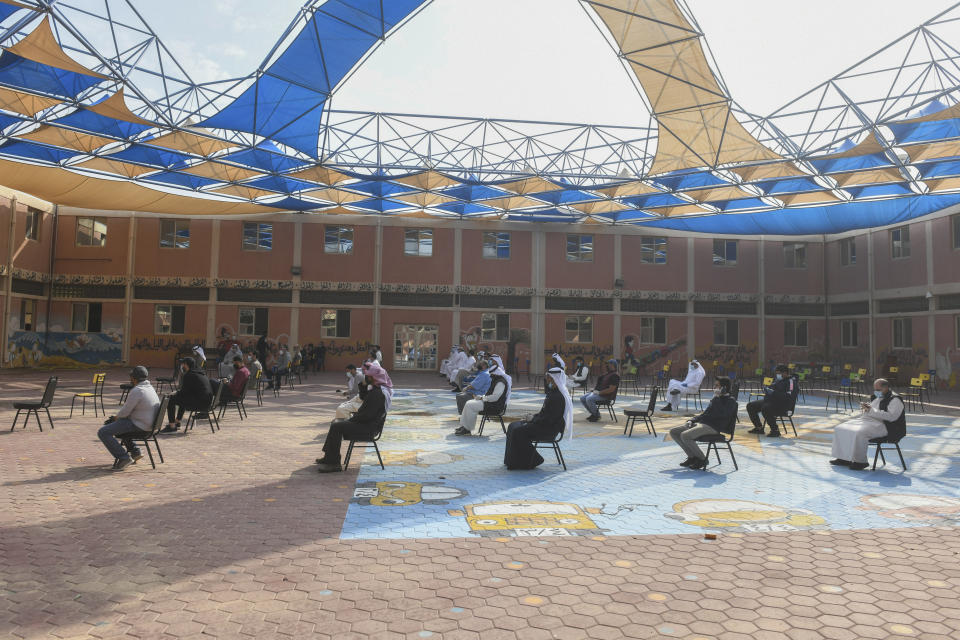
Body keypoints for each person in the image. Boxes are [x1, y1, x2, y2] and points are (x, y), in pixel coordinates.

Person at [316, 361, 392, 473]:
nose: (365, 377)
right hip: (365, 423)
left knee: (337, 426)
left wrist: (351, 419)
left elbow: (367, 415)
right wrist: (363, 385)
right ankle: (329, 457)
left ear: (374, 377)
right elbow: (363, 398)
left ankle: (334, 463)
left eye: (368, 376)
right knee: (336, 422)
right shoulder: (376, 390)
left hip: (368, 427)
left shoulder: (378, 394)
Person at [503, 361, 572, 470]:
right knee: (512, 426)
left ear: (555, 379)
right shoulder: (553, 393)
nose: (547, 380)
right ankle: (511, 461)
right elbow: (544, 414)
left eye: (549, 378)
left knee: (518, 431)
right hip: (542, 424)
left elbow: (549, 420)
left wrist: (533, 420)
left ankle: (533, 460)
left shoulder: (558, 397)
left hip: (548, 429)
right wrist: (532, 417)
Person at [830, 378, 905, 470]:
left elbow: (892, 417)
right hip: (868, 421)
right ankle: (844, 458)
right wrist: (867, 407)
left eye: (878, 390)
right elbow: (873, 409)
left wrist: (871, 410)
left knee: (860, 433)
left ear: (886, 388)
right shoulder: (878, 396)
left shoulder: (895, 400)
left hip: (885, 426)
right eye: (875, 389)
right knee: (840, 428)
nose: (876, 392)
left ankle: (860, 462)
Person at [668, 376, 738, 470]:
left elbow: (723, 414)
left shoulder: (730, 401)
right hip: (702, 424)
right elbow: (704, 414)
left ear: (724, 388)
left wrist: (717, 398)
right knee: (674, 432)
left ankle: (702, 459)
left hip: (713, 428)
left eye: (717, 385)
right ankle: (692, 457)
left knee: (685, 435)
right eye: (715, 385)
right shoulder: (715, 399)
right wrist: (691, 420)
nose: (714, 387)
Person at [97, 366, 160, 470]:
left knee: (103, 432)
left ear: (133, 378)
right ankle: (135, 451)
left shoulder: (137, 390)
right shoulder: (150, 388)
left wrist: (115, 418)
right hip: (149, 426)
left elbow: (125, 412)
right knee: (119, 424)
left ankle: (123, 457)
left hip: (140, 426)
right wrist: (117, 419)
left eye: (131, 377)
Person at [457, 356, 508, 435]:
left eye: (492, 374)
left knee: (470, 405)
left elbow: (495, 397)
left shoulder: (500, 382)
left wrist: (482, 398)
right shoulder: (495, 380)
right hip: (489, 402)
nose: (490, 375)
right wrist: (481, 397)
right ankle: (464, 426)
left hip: (494, 406)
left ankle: (467, 429)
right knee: (469, 403)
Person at [162, 357, 213, 433]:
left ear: (186, 365)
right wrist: (178, 392)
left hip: (200, 404)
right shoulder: (201, 374)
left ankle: (172, 426)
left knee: (171, 399)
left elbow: (184, 392)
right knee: (182, 398)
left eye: (183, 364)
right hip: (207, 403)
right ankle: (177, 422)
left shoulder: (189, 375)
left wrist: (174, 393)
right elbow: (188, 391)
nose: (182, 366)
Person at [747, 365, 795, 437]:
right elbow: (773, 386)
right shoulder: (778, 380)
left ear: (785, 373)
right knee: (750, 406)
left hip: (782, 405)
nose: (777, 375)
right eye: (777, 374)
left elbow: (788, 396)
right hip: (771, 401)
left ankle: (775, 430)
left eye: (779, 373)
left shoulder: (791, 382)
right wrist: (767, 388)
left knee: (765, 408)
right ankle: (759, 427)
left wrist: (773, 392)